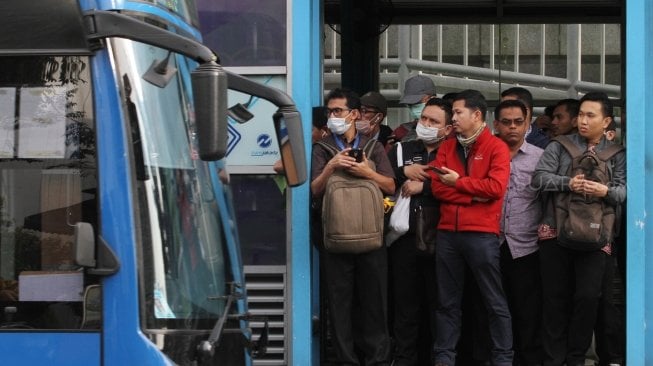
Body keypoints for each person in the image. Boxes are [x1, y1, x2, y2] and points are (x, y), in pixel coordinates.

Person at [532, 92, 626, 366]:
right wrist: (568, 183)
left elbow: (623, 193)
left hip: (598, 238)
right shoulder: (558, 146)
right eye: (580, 114)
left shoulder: (617, 153)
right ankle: (553, 360)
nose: (582, 121)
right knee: (554, 301)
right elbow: (538, 179)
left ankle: (575, 358)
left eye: (590, 115)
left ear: (607, 121)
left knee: (588, 299)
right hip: (555, 233)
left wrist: (604, 190)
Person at [311, 88, 396, 365]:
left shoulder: (372, 145)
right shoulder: (322, 149)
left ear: (355, 114)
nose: (333, 116)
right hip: (335, 239)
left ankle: (377, 359)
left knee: (374, 303)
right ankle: (347, 360)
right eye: (330, 112)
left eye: (339, 111)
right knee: (339, 305)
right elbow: (313, 190)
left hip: (372, 237)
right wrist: (331, 167)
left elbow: (391, 185)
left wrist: (367, 172)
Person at [430, 89, 513, 366]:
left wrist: (458, 183)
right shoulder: (447, 146)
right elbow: (438, 188)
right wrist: (472, 193)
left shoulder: (496, 147)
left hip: (481, 234)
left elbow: (496, 188)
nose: (452, 118)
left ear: (477, 115)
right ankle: (444, 358)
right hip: (448, 234)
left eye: (457, 112)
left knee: (493, 301)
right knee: (446, 302)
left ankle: (503, 358)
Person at [386, 98, 453, 366]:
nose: (425, 124)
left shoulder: (454, 152)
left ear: (448, 129)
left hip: (443, 240)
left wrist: (423, 187)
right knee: (405, 309)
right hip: (404, 240)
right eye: (424, 118)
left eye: (433, 121)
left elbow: (463, 187)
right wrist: (403, 172)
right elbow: (381, 176)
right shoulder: (401, 149)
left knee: (441, 307)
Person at [493, 99, 544, 366]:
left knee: (527, 312)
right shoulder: (486, 154)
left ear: (528, 124)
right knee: (492, 311)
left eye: (518, 122)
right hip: (490, 244)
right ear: (496, 125)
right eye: (506, 122)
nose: (512, 127)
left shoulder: (540, 157)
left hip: (526, 246)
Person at [391, 75, 437, 144]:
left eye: (417, 103)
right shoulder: (401, 132)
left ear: (433, 99)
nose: (413, 109)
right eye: (410, 105)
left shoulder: (449, 131)